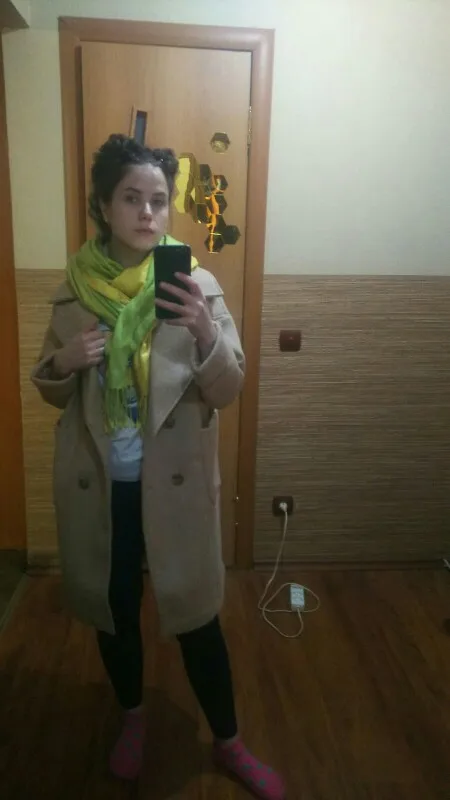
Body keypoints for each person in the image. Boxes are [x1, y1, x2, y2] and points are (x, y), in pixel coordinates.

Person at [32, 134, 286, 800]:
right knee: (115, 612)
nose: (147, 212)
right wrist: (63, 363)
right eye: (131, 198)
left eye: (158, 200)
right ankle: (133, 718)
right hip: (103, 488)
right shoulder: (75, 290)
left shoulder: (196, 285)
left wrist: (204, 332)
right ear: (103, 206)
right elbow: (51, 389)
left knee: (198, 619)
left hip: (175, 489)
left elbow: (228, 387)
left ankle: (229, 741)